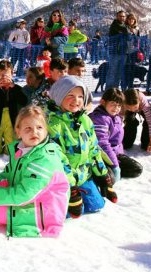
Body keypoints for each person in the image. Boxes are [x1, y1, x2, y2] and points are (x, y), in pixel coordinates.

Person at [0, 105, 69, 237]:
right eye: (28, 128)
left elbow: (23, 195)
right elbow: (8, 174)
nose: (34, 132)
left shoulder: (45, 159)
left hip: (45, 210)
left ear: (45, 130)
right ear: (18, 131)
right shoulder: (21, 149)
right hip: (25, 192)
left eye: (39, 128)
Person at [47, 76, 116, 217]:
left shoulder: (85, 120)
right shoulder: (53, 124)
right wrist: (71, 187)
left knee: (97, 205)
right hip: (62, 179)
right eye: (70, 95)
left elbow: (94, 149)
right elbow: (57, 160)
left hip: (83, 175)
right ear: (59, 96)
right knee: (67, 214)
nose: (76, 100)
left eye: (80, 96)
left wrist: (102, 175)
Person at [90, 88, 142, 181]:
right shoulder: (100, 119)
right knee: (109, 179)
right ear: (103, 102)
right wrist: (115, 165)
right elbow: (102, 144)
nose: (116, 108)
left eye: (119, 105)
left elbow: (118, 141)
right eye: (113, 104)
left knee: (136, 169)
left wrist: (119, 157)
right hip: (100, 156)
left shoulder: (116, 117)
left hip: (113, 154)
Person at [0, 60, 28, 155]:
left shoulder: (17, 88)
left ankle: (7, 145)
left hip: (11, 120)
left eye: (6, 74)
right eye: (1, 74)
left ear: (12, 74)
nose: (4, 77)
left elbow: (24, 101)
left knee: (11, 152)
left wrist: (14, 87)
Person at [121, 88, 151, 153]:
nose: (132, 110)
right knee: (130, 121)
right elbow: (117, 122)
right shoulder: (122, 103)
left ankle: (146, 141)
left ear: (139, 102)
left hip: (142, 106)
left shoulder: (144, 104)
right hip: (127, 108)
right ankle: (127, 140)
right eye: (130, 108)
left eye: (135, 107)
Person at [105, 10, 127, 90]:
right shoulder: (115, 25)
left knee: (119, 72)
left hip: (123, 52)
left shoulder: (124, 25)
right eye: (120, 16)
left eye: (123, 16)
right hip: (114, 52)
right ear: (117, 16)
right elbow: (124, 32)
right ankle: (109, 89)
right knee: (112, 71)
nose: (122, 18)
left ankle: (115, 88)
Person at [122, 13, 141, 90]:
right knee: (125, 69)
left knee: (132, 69)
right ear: (127, 20)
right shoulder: (124, 28)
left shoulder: (137, 29)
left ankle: (130, 86)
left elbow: (138, 40)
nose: (131, 20)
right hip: (126, 51)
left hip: (134, 51)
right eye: (130, 19)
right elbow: (125, 38)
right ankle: (124, 86)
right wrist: (130, 33)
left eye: (133, 19)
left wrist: (138, 49)